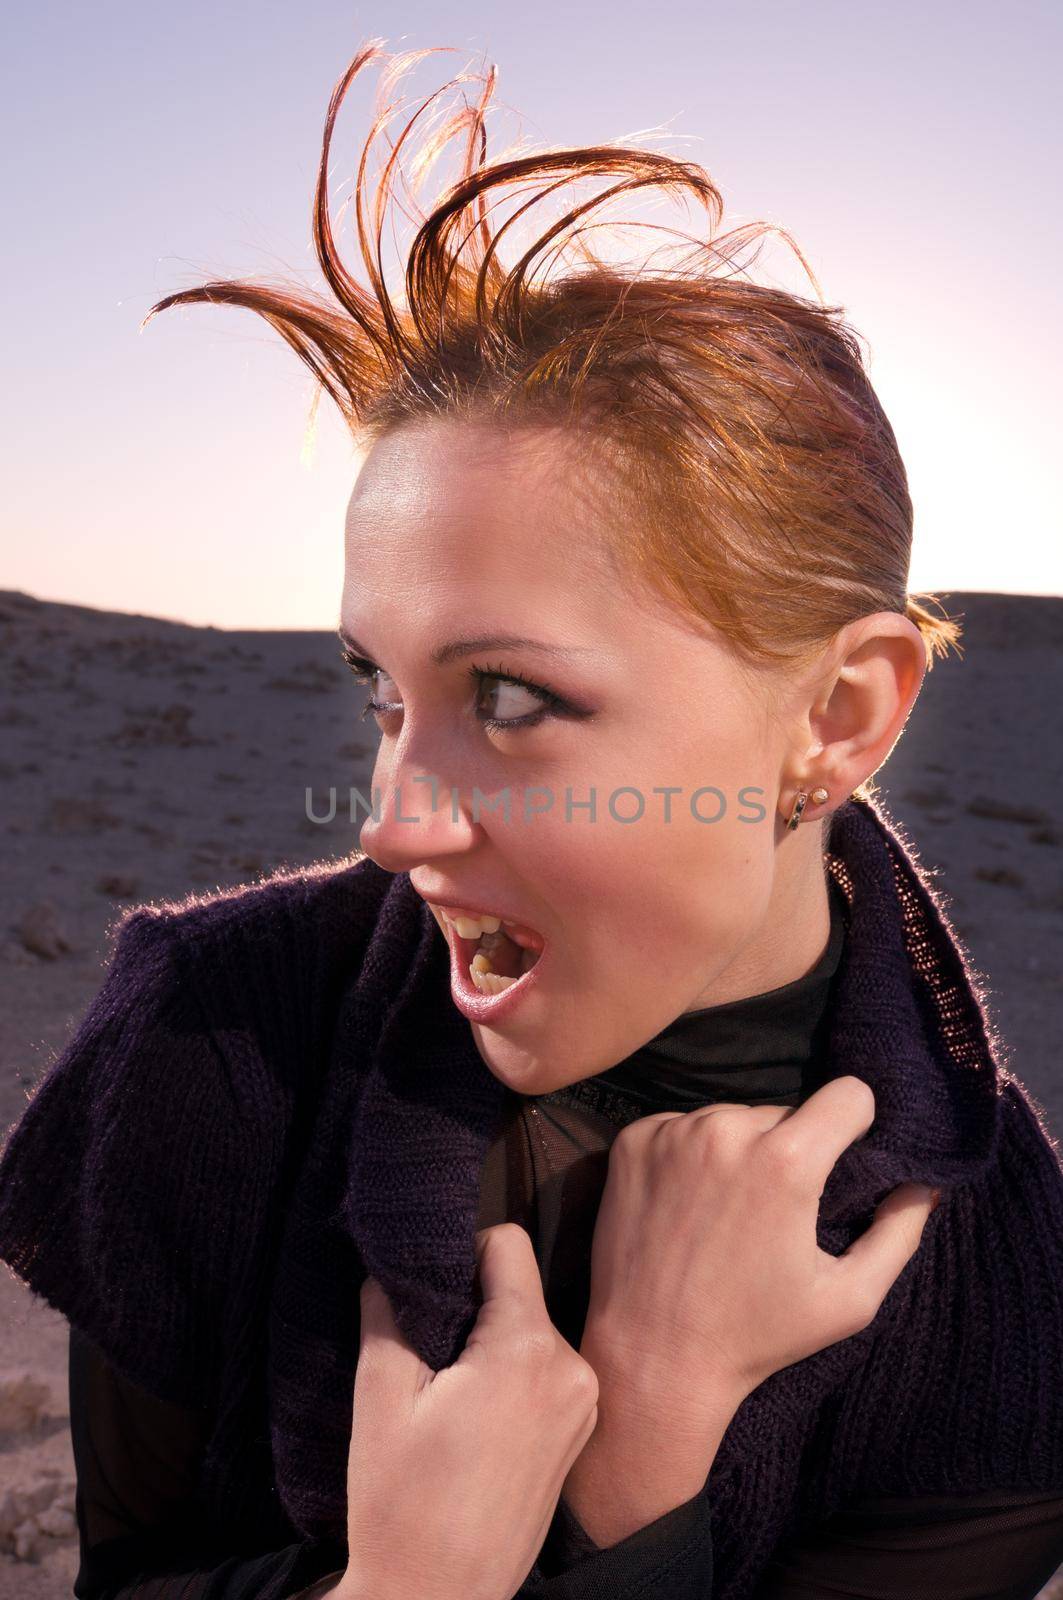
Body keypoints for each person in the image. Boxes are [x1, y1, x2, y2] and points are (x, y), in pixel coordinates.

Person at [1, 35, 1062, 1600]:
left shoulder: (989, 1282)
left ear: (839, 716)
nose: (391, 826)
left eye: (513, 698)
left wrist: (643, 1477)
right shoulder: (215, 1041)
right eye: (384, 689)